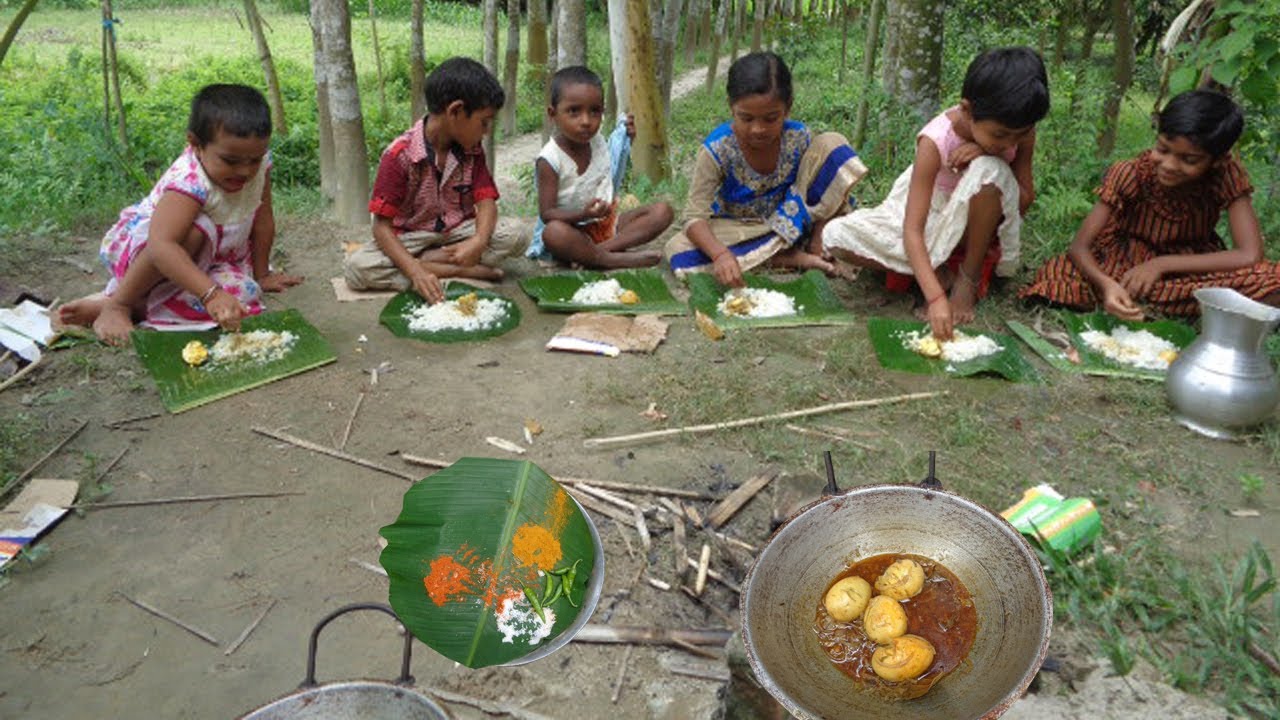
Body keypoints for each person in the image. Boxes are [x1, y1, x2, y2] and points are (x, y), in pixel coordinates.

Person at [823, 47, 1049, 339]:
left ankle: (966, 279)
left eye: (1018, 135)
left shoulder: (1019, 131)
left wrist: (987, 154)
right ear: (967, 110)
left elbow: (1024, 201)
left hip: (978, 231)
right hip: (931, 220)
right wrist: (935, 298)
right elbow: (912, 230)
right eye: (1000, 135)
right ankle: (940, 277)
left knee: (989, 170)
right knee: (836, 236)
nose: (1009, 144)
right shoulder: (935, 140)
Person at [59, 84, 302, 343]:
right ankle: (119, 304)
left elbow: (263, 220)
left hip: (208, 258)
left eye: (254, 160)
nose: (244, 171)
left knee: (244, 296)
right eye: (230, 161)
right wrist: (210, 294)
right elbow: (161, 245)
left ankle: (141, 307)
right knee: (199, 230)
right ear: (195, 144)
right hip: (146, 253)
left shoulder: (259, 167)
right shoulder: (189, 181)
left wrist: (261, 274)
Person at [1021, 90, 1280, 318]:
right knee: (1057, 276)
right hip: (1122, 265)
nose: (1169, 165)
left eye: (1188, 160)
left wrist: (1161, 264)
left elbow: (1249, 254)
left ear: (1218, 161)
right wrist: (1106, 285)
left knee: (1275, 280)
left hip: (1190, 268)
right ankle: (1148, 303)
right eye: (1163, 149)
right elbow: (1079, 248)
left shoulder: (1226, 175)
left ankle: (1161, 305)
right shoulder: (1130, 174)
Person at [664, 51, 868, 286]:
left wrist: (819, 234)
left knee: (833, 144)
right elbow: (693, 218)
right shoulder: (716, 150)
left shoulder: (799, 137)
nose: (758, 129)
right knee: (679, 252)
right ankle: (791, 258)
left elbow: (821, 189)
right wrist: (720, 255)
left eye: (770, 119)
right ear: (731, 108)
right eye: (746, 119)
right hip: (742, 231)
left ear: (787, 108)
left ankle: (806, 248)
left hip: (796, 221)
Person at [344, 57, 525, 303]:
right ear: (456, 111)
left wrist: (479, 241)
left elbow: (486, 202)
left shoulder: (472, 149)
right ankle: (459, 271)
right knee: (358, 267)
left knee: (516, 234)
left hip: (456, 235)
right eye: (484, 122)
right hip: (411, 238)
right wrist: (414, 270)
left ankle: (432, 263)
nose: (486, 131)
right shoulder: (399, 155)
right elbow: (381, 227)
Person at [529, 66, 673, 269]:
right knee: (553, 232)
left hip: (605, 226)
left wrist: (625, 139)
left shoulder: (597, 142)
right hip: (572, 231)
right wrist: (584, 215)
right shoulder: (550, 159)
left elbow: (612, 161)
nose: (586, 121)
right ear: (553, 114)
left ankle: (598, 253)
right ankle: (609, 259)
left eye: (594, 111)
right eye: (573, 111)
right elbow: (547, 214)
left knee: (662, 211)